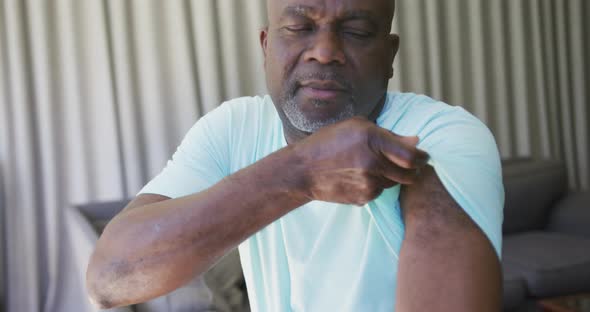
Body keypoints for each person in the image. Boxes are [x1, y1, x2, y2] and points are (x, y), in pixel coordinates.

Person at [86, 0, 503, 311]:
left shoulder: (440, 136)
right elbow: (111, 278)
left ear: (389, 56)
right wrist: (299, 172)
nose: (324, 52)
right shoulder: (234, 128)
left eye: (356, 31)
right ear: (266, 44)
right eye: (299, 26)